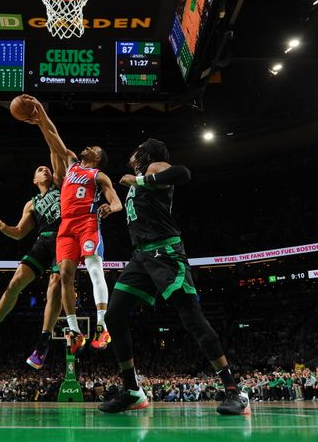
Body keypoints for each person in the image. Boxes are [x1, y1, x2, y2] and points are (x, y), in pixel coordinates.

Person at [98, 138, 248, 415]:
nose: (132, 153)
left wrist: (141, 181)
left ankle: (234, 391)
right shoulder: (140, 177)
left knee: (192, 318)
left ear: (146, 153)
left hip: (165, 252)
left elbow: (183, 173)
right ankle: (132, 390)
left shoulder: (155, 167)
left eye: (136, 148)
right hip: (141, 257)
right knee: (114, 315)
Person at [23, 95, 122, 352]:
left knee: (93, 269)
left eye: (93, 148)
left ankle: (102, 325)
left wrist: (109, 208)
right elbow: (54, 137)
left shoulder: (98, 175)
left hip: (88, 222)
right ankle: (74, 330)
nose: (87, 147)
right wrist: (41, 115)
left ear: (97, 158)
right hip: (66, 226)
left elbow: (117, 203)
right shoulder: (71, 164)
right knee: (65, 275)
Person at [0, 150, 67, 369]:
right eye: (39, 170)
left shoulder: (60, 184)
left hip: (64, 239)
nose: (44, 169)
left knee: (55, 285)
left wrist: (41, 122)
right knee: (15, 282)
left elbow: (55, 150)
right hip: (43, 240)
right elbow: (19, 232)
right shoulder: (32, 204)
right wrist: (2, 227)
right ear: (34, 180)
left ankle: (43, 343)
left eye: (46, 167)